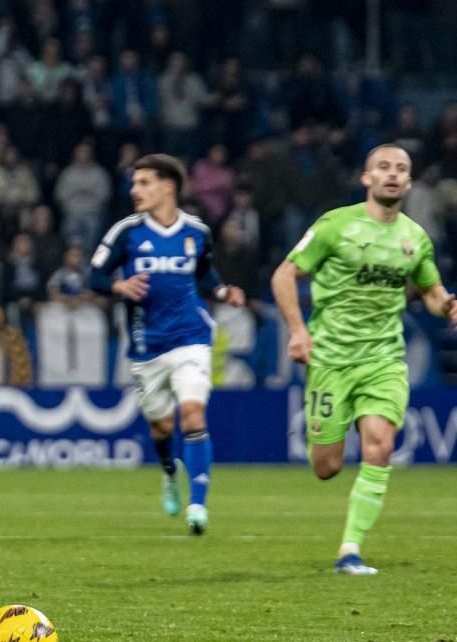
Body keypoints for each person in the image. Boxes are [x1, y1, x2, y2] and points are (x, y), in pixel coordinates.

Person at [271, 144, 457, 575]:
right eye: (383, 167)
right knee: (326, 466)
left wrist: (446, 304)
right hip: (331, 359)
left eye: (401, 169)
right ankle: (347, 539)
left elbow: (429, 291)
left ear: (409, 183)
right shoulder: (336, 226)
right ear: (366, 178)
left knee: (380, 445)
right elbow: (284, 274)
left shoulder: (414, 238)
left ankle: (349, 550)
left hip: (384, 359)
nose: (392, 175)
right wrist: (299, 330)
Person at [90, 154, 245, 535]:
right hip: (146, 346)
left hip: (191, 337)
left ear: (167, 187)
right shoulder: (126, 232)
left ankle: (198, 505)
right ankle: (169, 471)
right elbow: (94, 275)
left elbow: (206, 276)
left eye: (143, 183)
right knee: (161, 427)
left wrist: (224, 291)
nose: (134, 190)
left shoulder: (197, 232)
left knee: (193, 414)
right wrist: (118, 286)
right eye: (134, 183)